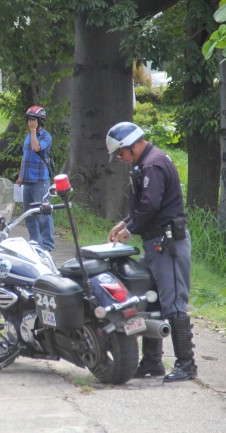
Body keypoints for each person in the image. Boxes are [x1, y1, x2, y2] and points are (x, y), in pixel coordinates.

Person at [106, 121, 197, 382]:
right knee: (150, 299)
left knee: (174, 303)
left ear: (131, 145)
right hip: (155, 243)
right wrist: (124, 222)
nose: (121, 159)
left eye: (121, 153)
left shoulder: (152, 165)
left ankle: (187, 364)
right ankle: (153, 362)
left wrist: (129, 229)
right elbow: (142, 205)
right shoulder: (145, 163)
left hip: (167, 244)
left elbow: (150, 206)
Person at [16, 105, 55, 252]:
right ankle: (35, 242)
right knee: (29, 214)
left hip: (40, 181)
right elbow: (24, 156)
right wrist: (20, 176)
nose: (29, 123)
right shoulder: (28, 136)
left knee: (43, 214)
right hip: (27, 181)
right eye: (28, 120)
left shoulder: (46, 136)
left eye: (33, 120)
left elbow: (36, 148)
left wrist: (33, 131)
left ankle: (47, 246)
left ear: (40, 121)